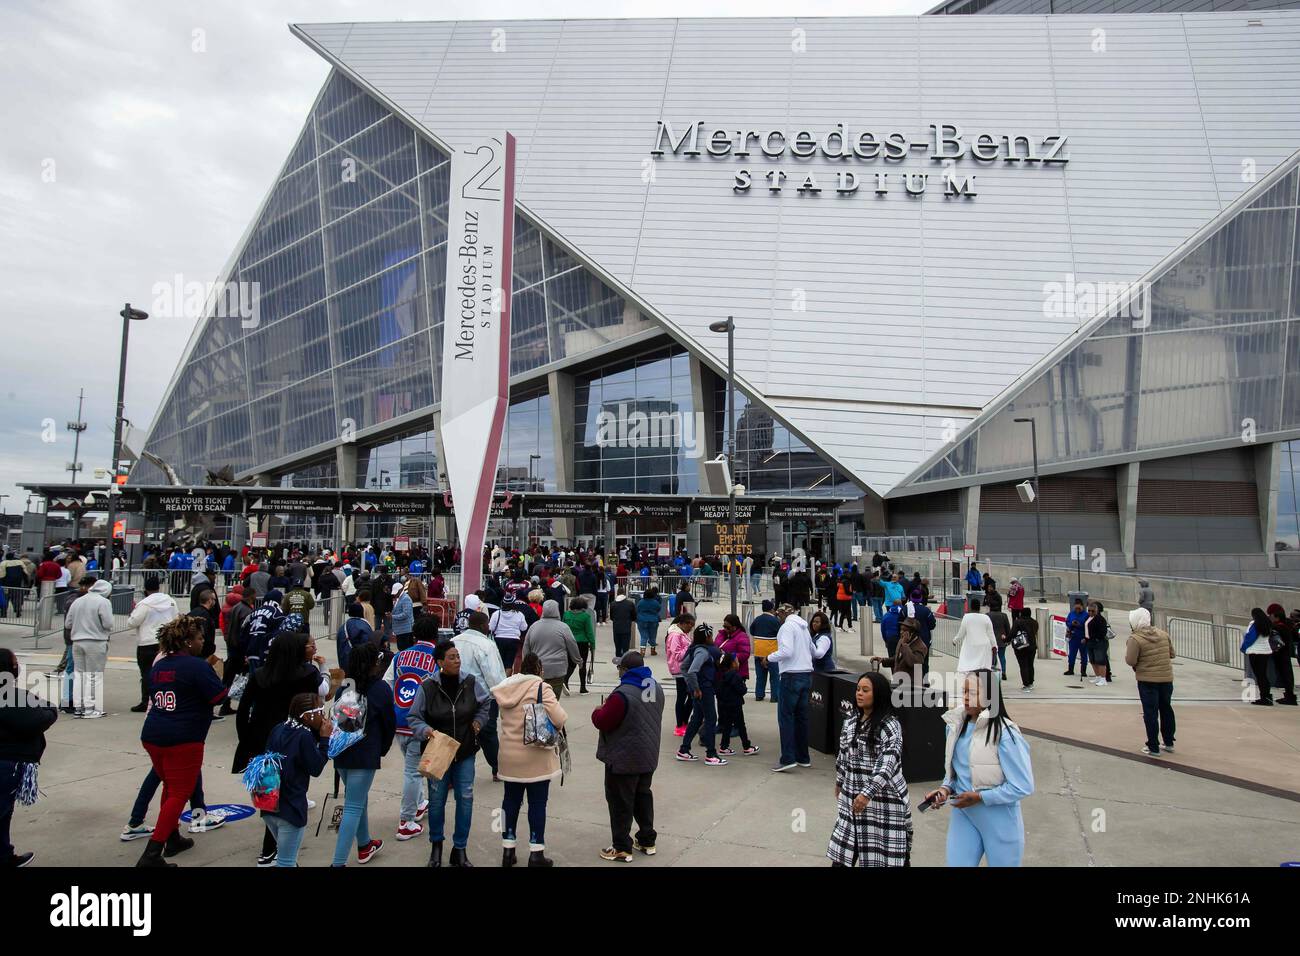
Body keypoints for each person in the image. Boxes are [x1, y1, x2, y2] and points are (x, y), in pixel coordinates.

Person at [136, 618, 228, 867]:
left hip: (154, 733)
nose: (202, 643)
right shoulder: (196, 666)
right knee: (179, 792)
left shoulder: (159, 665)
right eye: (199, 639)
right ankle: (152, 853)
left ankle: (172, 836)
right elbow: (219, 696)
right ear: (188, 642)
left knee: (170, 787)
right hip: (184, 737)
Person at [233, 631, 328, 866]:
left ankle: (272, 846)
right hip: (295, 737)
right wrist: (319, 737)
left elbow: (243, 709)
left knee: (270, 788)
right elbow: (317, 699)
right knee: (290, 789)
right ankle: (271, 851)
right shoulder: (307, 674)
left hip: (263, 737)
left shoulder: (261, 675)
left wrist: (246, 739)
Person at [923, 670, 1034, 867]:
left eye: (972, 693)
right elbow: (955, 771)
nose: (965, 697)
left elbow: (1023, 785)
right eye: (964, 691)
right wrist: (945, 788)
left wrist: (981, 797)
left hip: (1000, 821)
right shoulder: (954, 725)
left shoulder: (1006, 734)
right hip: (964, 814)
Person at [406, 641, 491, 867]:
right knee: (436, 801)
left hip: (465, 750)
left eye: (458, 656)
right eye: (451, 657)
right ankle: (436, 846)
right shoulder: (427, 687)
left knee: (465, 798)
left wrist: (478, 723)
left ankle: (460, 849)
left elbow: (486, 704)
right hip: (438, 753)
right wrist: (426, 731)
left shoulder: (470, 683)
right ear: (440, 662)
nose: (457, 660)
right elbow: (413, 717)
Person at [826, 670, 910, 867]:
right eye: (858, 689)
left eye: (865, 690)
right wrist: (840, 781)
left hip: (884, 803)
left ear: (878, 694)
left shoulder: (890, 726)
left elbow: (887, 765)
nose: (859, 694)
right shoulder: (851, 721)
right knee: (842, 856)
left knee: (890, 857)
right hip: (852, 800)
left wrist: (867, 794)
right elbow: (843, 755)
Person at [492, 652, 567, 867]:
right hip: (536, 756)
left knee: (510, 802)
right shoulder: (542, 688)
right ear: (539, 670)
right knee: (537, 804)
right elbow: (559, 718)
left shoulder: (505, 688)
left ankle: (508, 850)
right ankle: (536, 852)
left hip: (509, 755)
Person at [592, 651, 664, 862]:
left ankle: (622, 847)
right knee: (643, 796)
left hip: (624, 758)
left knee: (620, 802)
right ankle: (646, 839)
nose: (618, 672)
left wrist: (598, 711)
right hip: (648, 754)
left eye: (619, 668)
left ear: (625, 670)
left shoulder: (622, 694)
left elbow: (604, 721)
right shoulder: (655, 688)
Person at [331, 641, 397, 867]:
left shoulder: (345, 686)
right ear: (372, 663)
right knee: (352, 806)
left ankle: (365, 844)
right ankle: (338, 862)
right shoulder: (380, 689)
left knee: (357, 799)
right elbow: (390, 723)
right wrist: (383, 749)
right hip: (365, 754)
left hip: (342, 753)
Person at [258, 692, 333, 867]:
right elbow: (316, 768)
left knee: (287, 857)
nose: (323, 715)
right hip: (290, 808)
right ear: (307, 717)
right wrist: (324, 740)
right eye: (320, 710)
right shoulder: (304, 736)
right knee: (286, 862)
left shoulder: (278, 728)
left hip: (269, 805)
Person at [0, 647, 57, 868]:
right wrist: (47, 708)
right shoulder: (10, 696)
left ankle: (4, 854)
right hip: (8, 763)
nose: (17, 666)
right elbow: (40, 717)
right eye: (15, 663)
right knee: (2, 812)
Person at [769, 605, 830, 773]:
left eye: (778, 613)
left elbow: (786, 652)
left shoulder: (786, 627)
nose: (777, 617)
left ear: (783, 613)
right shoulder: (803, 628)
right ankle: (803, 756)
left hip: (791, 675)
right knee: (801, 718)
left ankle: (787, 758)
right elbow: (814, 651)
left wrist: (769, 657)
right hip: (806, 675)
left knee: (786, 717)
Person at [393, 618, 438, 840]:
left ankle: (419, 803)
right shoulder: (436, 659)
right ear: (435, 634)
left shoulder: (399, 656)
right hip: (420, 722)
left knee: (412, 768)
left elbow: (388, 683)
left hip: (399, 718)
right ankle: (406, 821)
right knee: (413, 772)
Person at [451, 611, 506, 782]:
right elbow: (494, 675)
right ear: (483, 626)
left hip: (455, 696)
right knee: (487, 733)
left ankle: (452, 775)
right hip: (483, 698)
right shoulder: (486, 644)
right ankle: (498, 769)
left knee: (455, 733)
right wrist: (502, 695)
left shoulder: (454, 641)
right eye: (487, 624)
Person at [1123, 607, 1177, 755]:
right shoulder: (1163, 634)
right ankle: (1169, 742)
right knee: (1166, 709)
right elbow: (1172, 654)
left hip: (1147, 680)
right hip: (1166, 679)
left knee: (1150, 712)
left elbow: (1130, 660)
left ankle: (1153, 745)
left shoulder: (1135, 639)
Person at [127, 575, 178, 713]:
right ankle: (165, 699)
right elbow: (176, 618)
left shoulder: (144, 604)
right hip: (165, 641)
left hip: (147, 642)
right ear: (159, 587)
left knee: (147, 673)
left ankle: (146, 701)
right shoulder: (170, 601)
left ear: (145, 589)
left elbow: (132, 622)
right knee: (166, 672)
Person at [676, 623, 725, 766]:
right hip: (705, 689)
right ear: (706, 637)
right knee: (711, 719)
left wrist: (691, 686)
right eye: (711, 635)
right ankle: (711, 754)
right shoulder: (703, 652)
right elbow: (691, 670)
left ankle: (684, 750)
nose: (713, 638)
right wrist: (696, 688)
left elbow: (684, 667)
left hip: (699, 690)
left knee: (697, 718)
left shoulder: (694, 649)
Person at [65, 577, 113, 719]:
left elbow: (68, 624)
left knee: (79, 674)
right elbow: (108, 624)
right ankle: (91, 709)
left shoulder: (77, 601)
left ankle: (79, 708)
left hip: (77, 642)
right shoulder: (103, 602)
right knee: (94, 676)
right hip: (96, 642)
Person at [519, 600, 581, 699]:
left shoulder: (534, 627)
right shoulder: (563, 627)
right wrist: (578, 660)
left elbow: (526, 648)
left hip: (537, 670)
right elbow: (572, 645)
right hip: (557, 670)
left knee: (538, 700)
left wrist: (525, 666)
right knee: (553, 701)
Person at [716, 654, 756, 757]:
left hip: (725, 705)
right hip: (735, 705)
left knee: (727, 726)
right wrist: (743, 687)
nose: (738, 663)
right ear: (733, 663)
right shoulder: (735, 676)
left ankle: (724, 747)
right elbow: (742, 690)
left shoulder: (724, 675)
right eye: (737, 661)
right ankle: (746, 746)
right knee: (741, 726)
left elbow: (719, 691)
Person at [664, 611, 695, 737]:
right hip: (680, 669)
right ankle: (680, 724)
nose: (691, 628)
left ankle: (683, 722)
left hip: (685, 669)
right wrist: (690, 648)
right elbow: (677, 654)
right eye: (690, 625)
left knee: (689, 696)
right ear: (683, 623)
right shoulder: (675, 635)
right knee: (683, 697)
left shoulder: (682, 634)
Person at [871, 617, 928, 684]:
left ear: (912, 633)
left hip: (912, 685)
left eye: (904, 630)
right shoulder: (901, 641)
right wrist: (883, 660)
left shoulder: (921, 646)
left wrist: (904, 644)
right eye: (901, 629)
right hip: (898, 682)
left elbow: (913, 662)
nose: (901, 632)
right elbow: (897, 659)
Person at [953, 597, 996, 675]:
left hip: (971, 646)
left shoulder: (966, 617)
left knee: (969, 668)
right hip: (984, 646)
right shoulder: (986, 618)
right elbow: (991, 634)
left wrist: (955, 640)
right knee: (982, 668)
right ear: (979, 607)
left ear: (970, 606)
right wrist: (994, 646)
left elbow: (961, 633)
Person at [563, 596, 597, 694]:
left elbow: (562, 627)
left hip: (569, 641)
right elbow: (589, 632)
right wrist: (593, 644)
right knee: (582, 664)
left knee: (570, 664)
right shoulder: (585, 616)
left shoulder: (566, 614)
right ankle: (582, 688)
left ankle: (565, 679)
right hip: (582, 642)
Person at [749, 600, 781, 704]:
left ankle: (759, 695)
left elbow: (751, 631)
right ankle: (774, 697)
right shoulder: (775, 621)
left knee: (760, 676)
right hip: (771, 653)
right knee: (774, 676)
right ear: (772, 609)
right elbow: (780, 634)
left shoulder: (757, 619)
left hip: (759, 651)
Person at [489, 593, 529, 672]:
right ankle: (506, 680)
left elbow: (491, 627)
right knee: (509, 663)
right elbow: (524, 627)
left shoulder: (496, 614)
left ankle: (500, 680)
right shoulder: (519, 614)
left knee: (499, 662)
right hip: (513, 640)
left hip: (499, 640)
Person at [1266, 604, 1298, 705]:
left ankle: (1290, 697)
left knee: (1286, 675)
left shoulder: (1279, 627)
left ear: (1276, 616)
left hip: (1281, 654)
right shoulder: (1288, 624)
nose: (1269, 617)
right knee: (1286, 675)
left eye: (1271, 615)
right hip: (1285, 653)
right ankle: (1289, 696)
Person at [1009, 612, 1039, 693]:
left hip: (1022, 647)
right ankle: (1031, 683)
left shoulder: (1018, 622)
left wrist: (1006, 640)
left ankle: (1026, 685)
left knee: (1023, 666)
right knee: (1030, 665)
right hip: (1032, 647)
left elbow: (1012, 633)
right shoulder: (1034, 622)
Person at [1085, 601, 1111, 686]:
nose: (1090, 612)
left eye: (1093, 611)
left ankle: (1103, 679)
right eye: (1089, 610)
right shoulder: (1088, 618)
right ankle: (1098, 676)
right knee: (1093, 660)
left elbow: (1103, 632)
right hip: (1089, 642)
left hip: (1099, 642)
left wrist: (1095, 638)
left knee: (1100, 660)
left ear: (1097, 611)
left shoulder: (1100, 619)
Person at [1063, 598, 1089, 677]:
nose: (1077, 609)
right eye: (1076, 608)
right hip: (1073, 637)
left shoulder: (1086, 615)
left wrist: (1079, 625)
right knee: (1072, 654)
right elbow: (1067, 622)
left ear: (1082, 606)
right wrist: (1071, 624)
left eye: (1079, 608)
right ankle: (1071, 670)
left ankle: (1083, 671)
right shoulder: (1071, 614)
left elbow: (1088, 625)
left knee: (1084, 655)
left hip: (1082, 637)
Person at [609, 586, 636, 662]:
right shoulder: (630, 604)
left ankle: (618, 662)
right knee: (625, 648)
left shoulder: (613, 604)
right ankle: (625, 663)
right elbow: (634, 616)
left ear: (617, 594)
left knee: (617, 647)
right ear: (625, 594)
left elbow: (611, 617)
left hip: (616, 628)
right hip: (626, 628)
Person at [988, 599, 1012, 680]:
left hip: (990, 641)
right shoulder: (1004, 615)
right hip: (1002, 640)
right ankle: (1004, 672)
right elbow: (1008, 628)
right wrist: (1008, 639)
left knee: (991, 656)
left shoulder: (987, 615)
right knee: (1002, 656)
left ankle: (991, 672)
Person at [636, 587, 662, 656]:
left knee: (643, 636)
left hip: (642, 620)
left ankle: (642, 652)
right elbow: (658, 609)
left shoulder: (641, 602)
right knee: (653, 636)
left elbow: (637, 609)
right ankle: (653, 651)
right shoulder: (655, 602)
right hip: (653, 620)